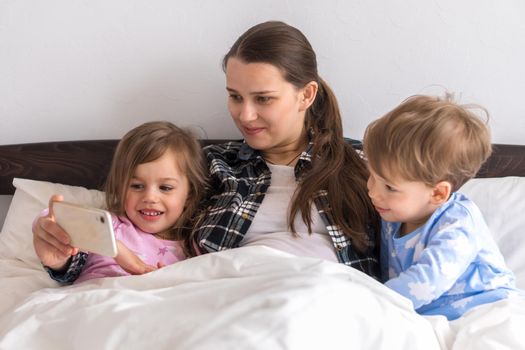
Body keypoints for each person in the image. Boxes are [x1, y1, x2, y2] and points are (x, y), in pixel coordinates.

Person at [33, 21, 380, 283]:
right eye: (235, 96)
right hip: (229, 296)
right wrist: (64, 261)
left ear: (306, 95)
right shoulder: (213, 166)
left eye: (263, 99)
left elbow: (414, 242)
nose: (245, 115)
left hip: (328, 295)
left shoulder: (362, 166)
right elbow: (147, 236)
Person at [363, 94, 518, 320]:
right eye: (372, 176)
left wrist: (370, 301)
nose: (373, 191)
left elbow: (427, 280)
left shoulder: (458, 223)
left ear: (437, 193)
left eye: (389, 187)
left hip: (488, 309)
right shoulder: (393, 213)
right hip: (434, 317)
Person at [37, 121, 208, 283]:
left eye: (165, 187)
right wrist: (57, 252)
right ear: (120, 188)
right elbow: (68, 232)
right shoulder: (107, 225)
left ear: (189, 195)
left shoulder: (194, 247)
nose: (149, 197)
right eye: (137, 185)